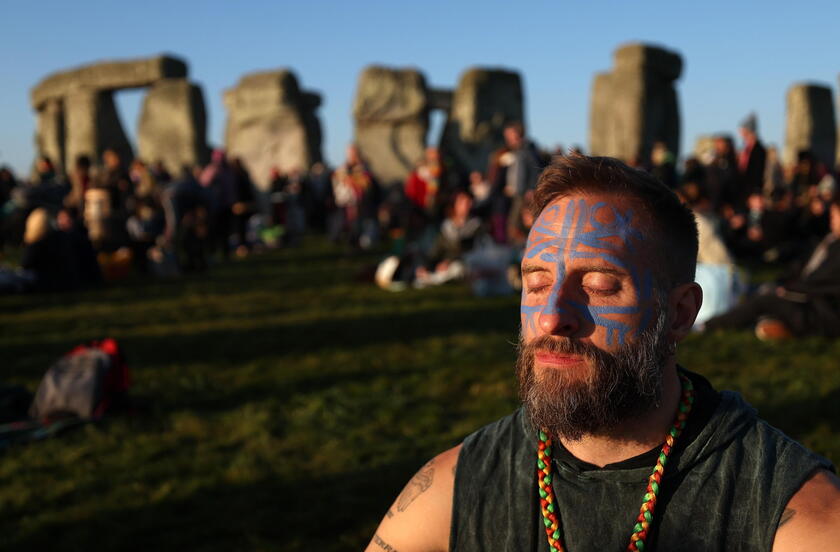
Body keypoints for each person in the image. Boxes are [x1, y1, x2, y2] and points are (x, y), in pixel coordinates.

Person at [365, 155, 839, 552]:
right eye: (536, 284)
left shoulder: (784, 508)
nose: (552, 317)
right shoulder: (457, 488)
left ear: (679, 314)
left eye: (599, 286)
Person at [705, 194, 840, 340]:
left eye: (834, 216)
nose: (831, 220)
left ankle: (710, 326)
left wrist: (790, 290)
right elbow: (803, 268)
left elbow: (824, 283)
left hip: (818, 309)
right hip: (804, 298)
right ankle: (771, 325)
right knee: (761, 290)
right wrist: (782, 283)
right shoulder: (830, 241)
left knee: (766, 300)